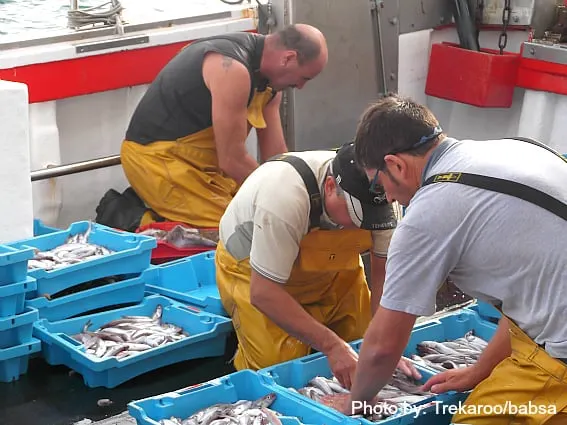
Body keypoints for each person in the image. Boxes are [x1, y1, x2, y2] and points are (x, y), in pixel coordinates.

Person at [325, 93, 567, 424]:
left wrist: (356, 403)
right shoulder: (514, 149)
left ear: (395, 164)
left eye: (378, 186)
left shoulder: (430, 212)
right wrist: (480, 370)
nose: (389, 198)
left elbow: (383, 348)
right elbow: (526, 292)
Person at [214, 141, 421, 388]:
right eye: (357, 216)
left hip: (333, 269)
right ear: (330, 187)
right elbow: (263, 292)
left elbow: (384, 276)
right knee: (276, 365)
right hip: (252, 272)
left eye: (370, 219)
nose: (362, 225)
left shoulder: (383, 196)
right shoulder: (283, 198)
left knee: (364, 341)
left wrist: (385, 344)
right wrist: (332, 346)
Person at [95, 24, 328, 231]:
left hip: (205, 166)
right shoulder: (231, 69)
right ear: (288, 58)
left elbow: (275, 155)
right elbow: (232, 160)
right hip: (156, 160)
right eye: (305, 78)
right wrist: (282, 197)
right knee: (235, 228)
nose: (300, 87)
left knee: (259, 212)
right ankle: (128, 219)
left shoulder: (270, 85)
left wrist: (299, 192)